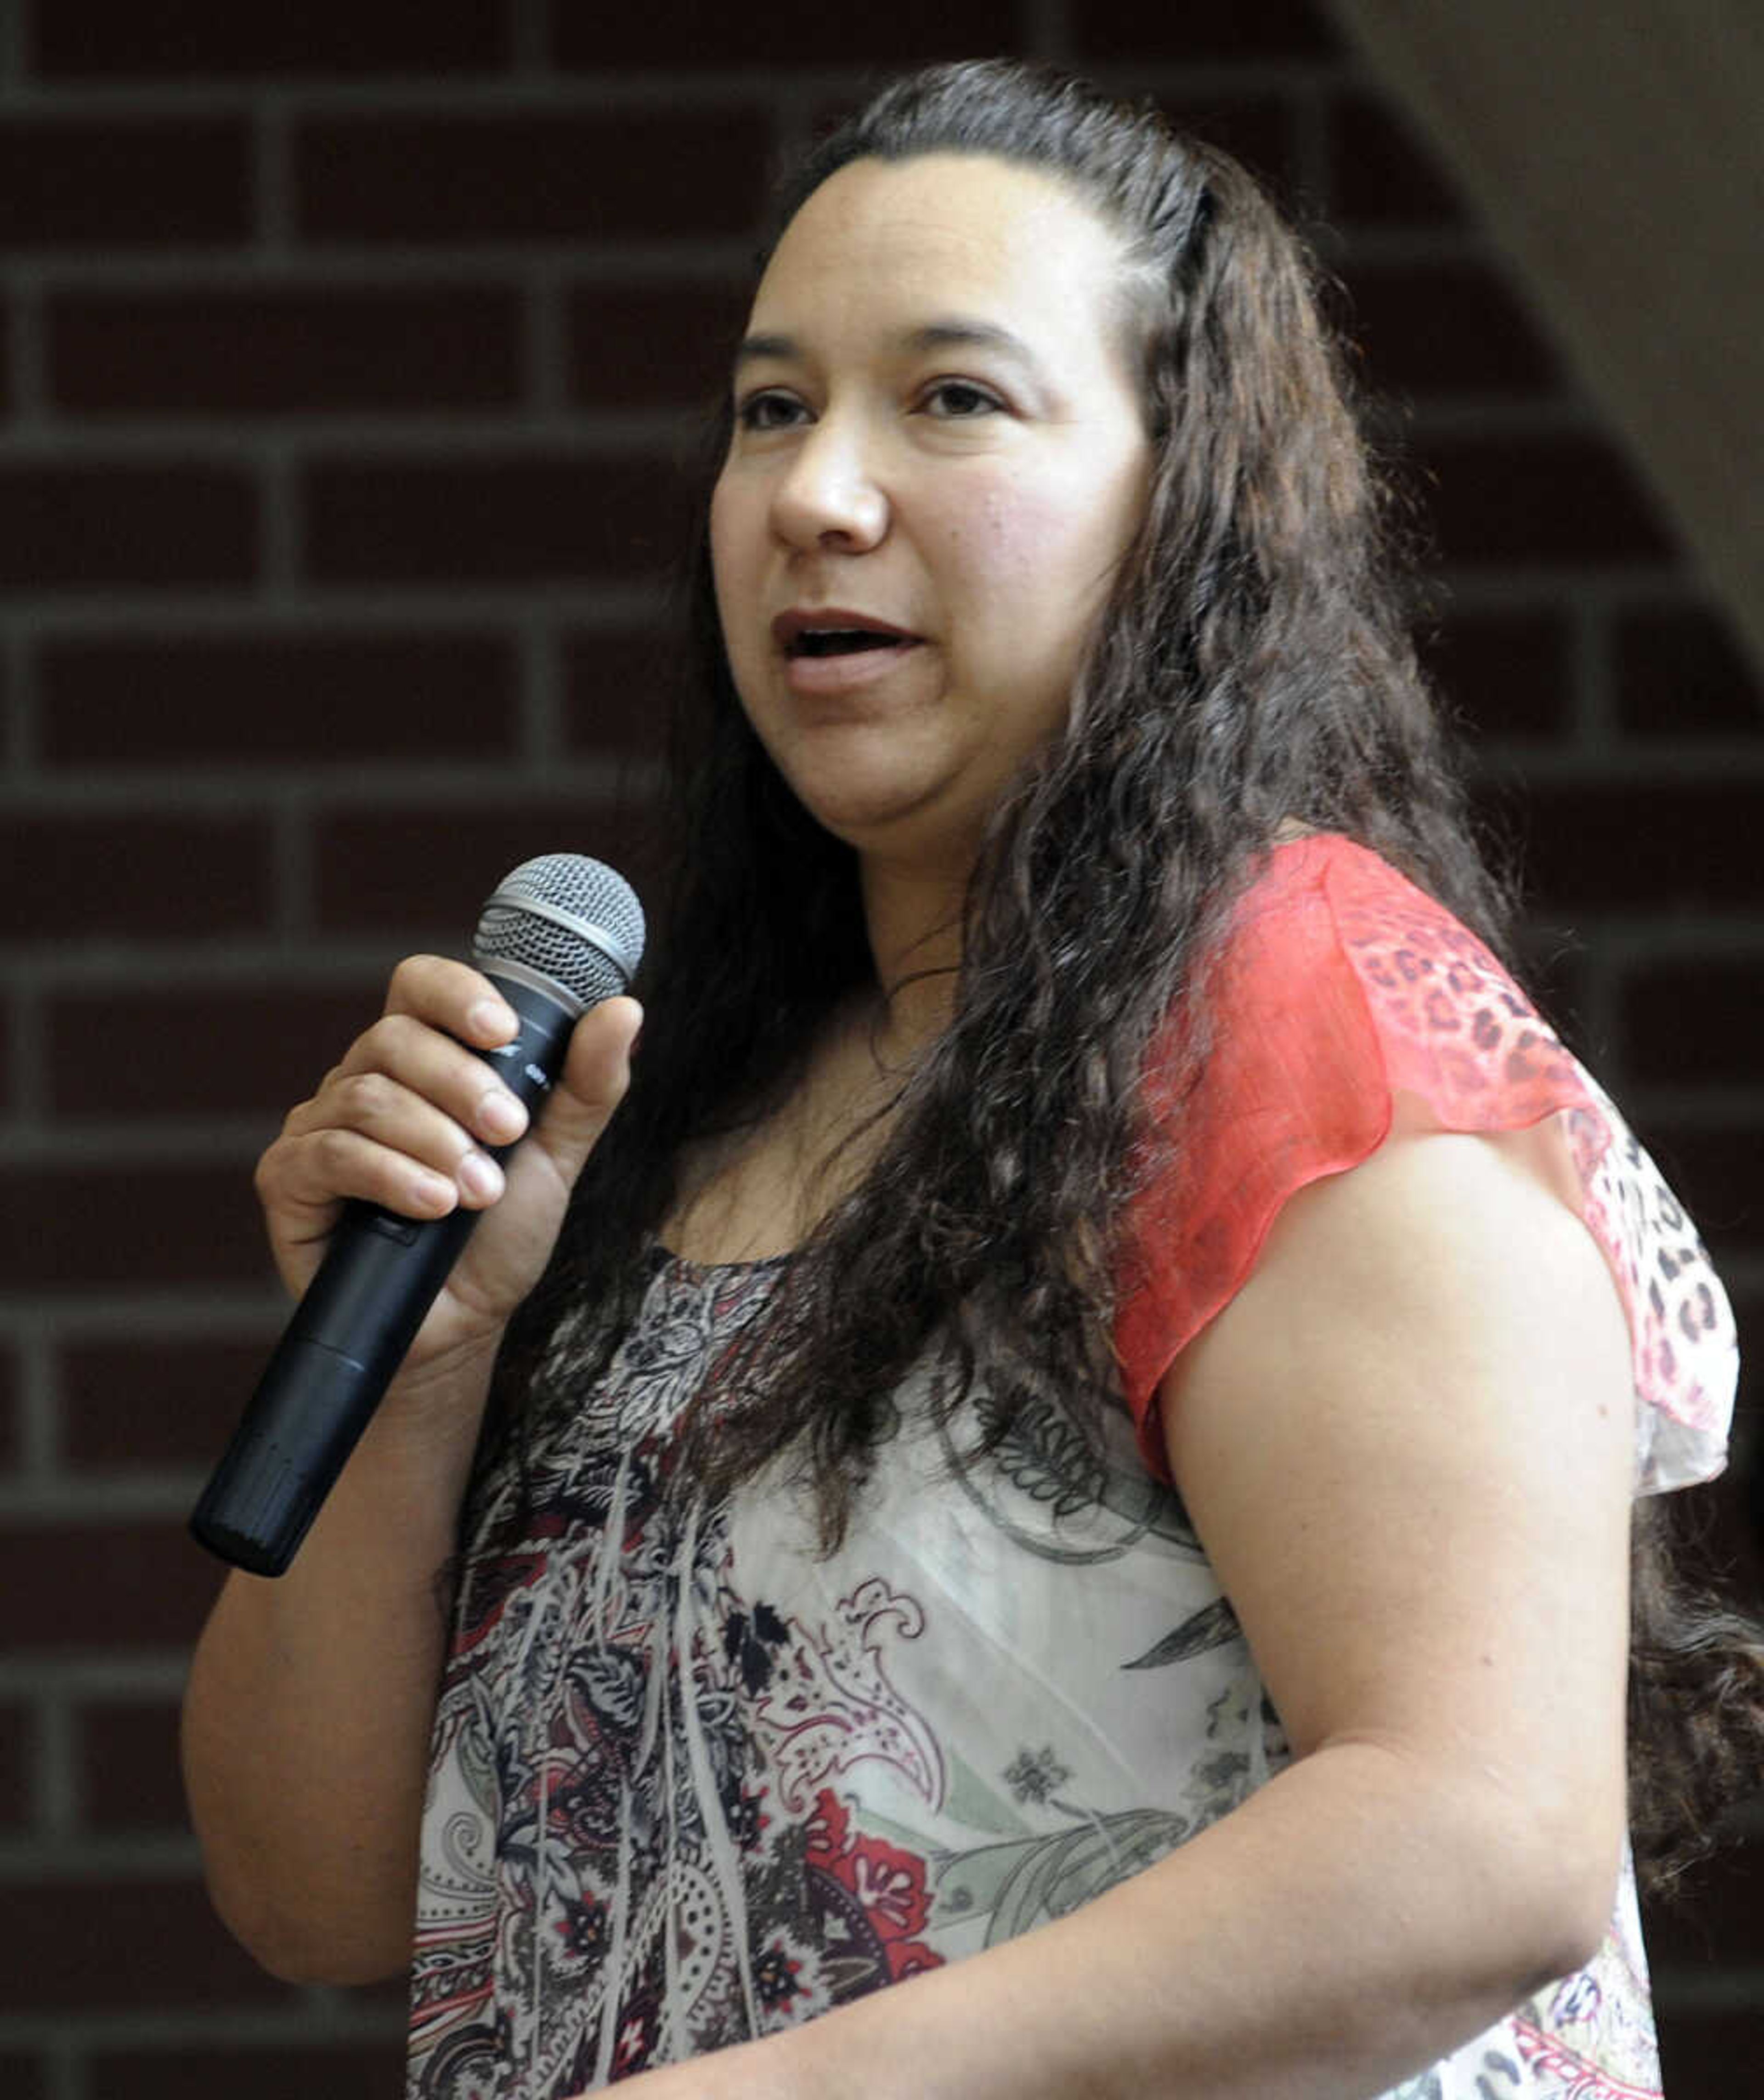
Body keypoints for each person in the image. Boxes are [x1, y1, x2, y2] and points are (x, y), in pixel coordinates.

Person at [181, 58, 1758, 2100]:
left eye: (953, 399)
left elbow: (1485, 1843)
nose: (819, 494)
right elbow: (317, 1895)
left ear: (1178, 498)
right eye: (771, 409)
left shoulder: (1298, 999)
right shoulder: (688, 1083)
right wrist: (417, 1366)